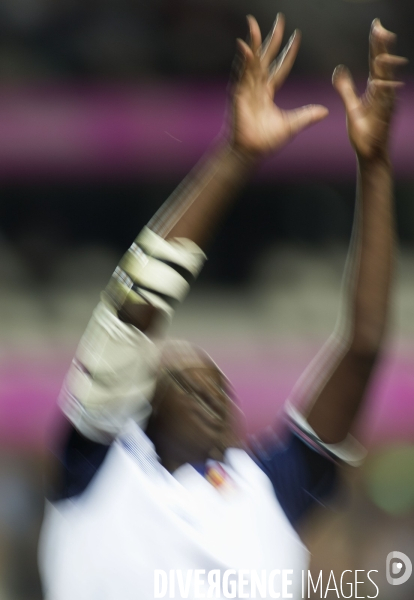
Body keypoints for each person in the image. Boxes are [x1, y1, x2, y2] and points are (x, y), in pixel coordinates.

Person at [39, 14, 405, 600]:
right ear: (140, 409)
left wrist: (376, 166)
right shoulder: (99, 467)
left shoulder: (270, 486)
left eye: (218, 387)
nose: (213, 392)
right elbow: (136, 310)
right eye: (185, 383)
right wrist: (235, 156)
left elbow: (362, 349)